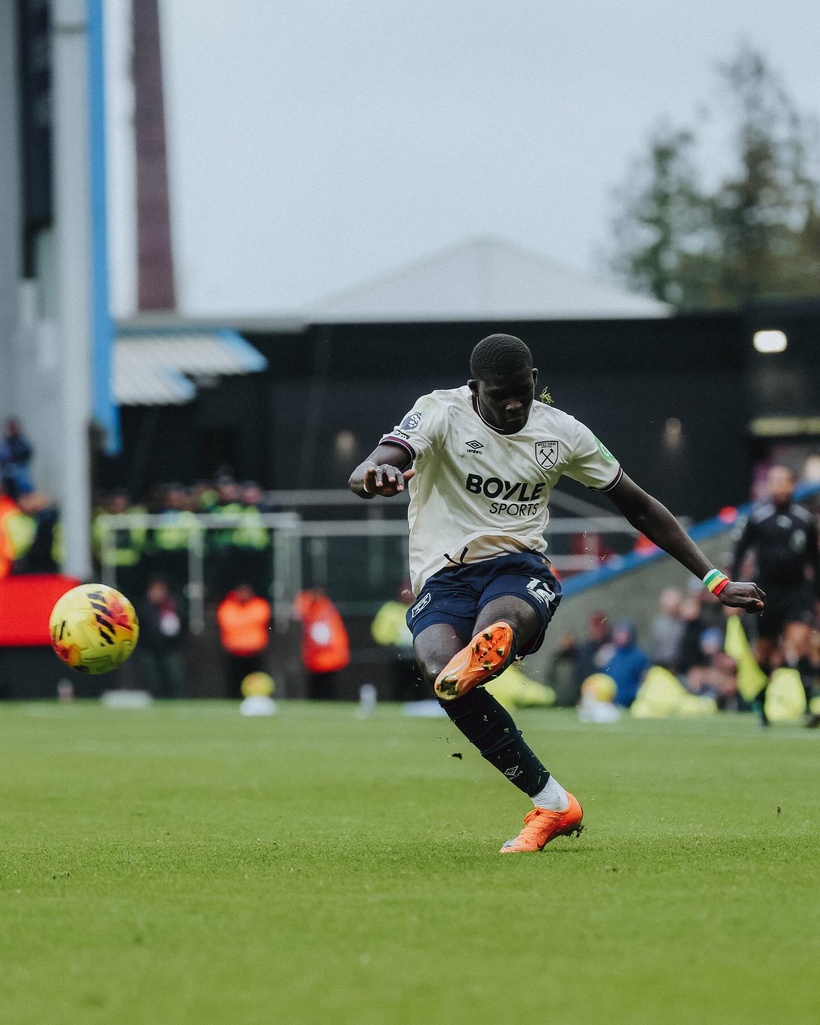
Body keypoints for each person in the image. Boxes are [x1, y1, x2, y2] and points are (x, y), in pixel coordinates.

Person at [349, 333, 765, 854]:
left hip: (518, 566)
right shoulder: (440, 412)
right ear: (475, 388)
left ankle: (497, 640)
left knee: (500, 623)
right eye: (500, 395)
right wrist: (376, 476)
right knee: (443, 674)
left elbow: (638, 505)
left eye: (522, 392)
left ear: (534, 381)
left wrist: (715, 579)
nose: (513, 404)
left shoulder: (562, 433)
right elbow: (370, 467)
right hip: (445, 577)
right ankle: (552, 802)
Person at [731, 465, 820, 725]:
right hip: (766, 593)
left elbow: (815, 560)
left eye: (784, 481)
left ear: (793, 485)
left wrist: (817, 595)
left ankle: (808, 706)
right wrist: (732, 589)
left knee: (800, 642)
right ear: (768, 486)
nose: (780, 486)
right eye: (775, 481)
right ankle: (762, 703)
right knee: (764, 652)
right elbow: (739, 553)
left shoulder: (805, 519)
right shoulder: (757, 517)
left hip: (797, 591)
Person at [293, 588, 351, 700]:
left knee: (326, 689)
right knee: (319, 689)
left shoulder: (323, 610)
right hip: (319, 658)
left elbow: (324, 635)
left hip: (327, 657)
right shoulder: (316, 607)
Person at [216, 583, 272, 699]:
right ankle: (234, 698)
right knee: (234, 679)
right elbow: (227, 623)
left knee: (256, 678)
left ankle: (256, 698)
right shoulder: (228, 606)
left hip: (254, 651)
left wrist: (241, 623)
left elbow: (261, 620)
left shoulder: (259, 605)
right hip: (234, 651)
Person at [135, 576, 187, 699]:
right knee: (153, 680)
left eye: (160, 589)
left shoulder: (173, 605)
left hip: (170, 649)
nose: (157, 593)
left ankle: (177, 701)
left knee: (175, 678)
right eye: (154, 589)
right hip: (150, 650)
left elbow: (183, 624)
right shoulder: (144, 607)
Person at [604, 619, 651, 708]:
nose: (620, 636)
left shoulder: (639, 656)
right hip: (611, 702)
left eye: (623, 632)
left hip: (631, 702)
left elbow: (644, 680)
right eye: (618, 632)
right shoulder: (610, 653)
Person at [0, 417, 34, 499]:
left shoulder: (22, 443)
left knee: (22, 477)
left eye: (13, 428)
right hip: (6, 473)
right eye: (10, 429)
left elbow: (26, 453)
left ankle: (27, 497)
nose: (11, 431)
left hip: (20, 472)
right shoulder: (4, 445)